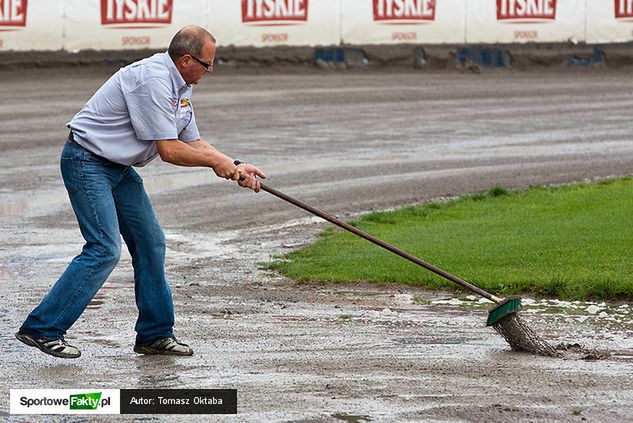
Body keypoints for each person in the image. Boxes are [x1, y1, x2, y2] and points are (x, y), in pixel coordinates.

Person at [15, 26, 265, 359]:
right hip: (86, 161)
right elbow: (170, 151)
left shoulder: (181, 85)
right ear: (187, 59)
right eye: (207, 64)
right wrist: (215, 164)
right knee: (104, 248)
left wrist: (234, 163)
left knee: (151, 243)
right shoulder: (153, 81)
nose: (211, 70)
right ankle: (42, 328)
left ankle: (154, 335)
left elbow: (192, 140)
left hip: (117, 168)